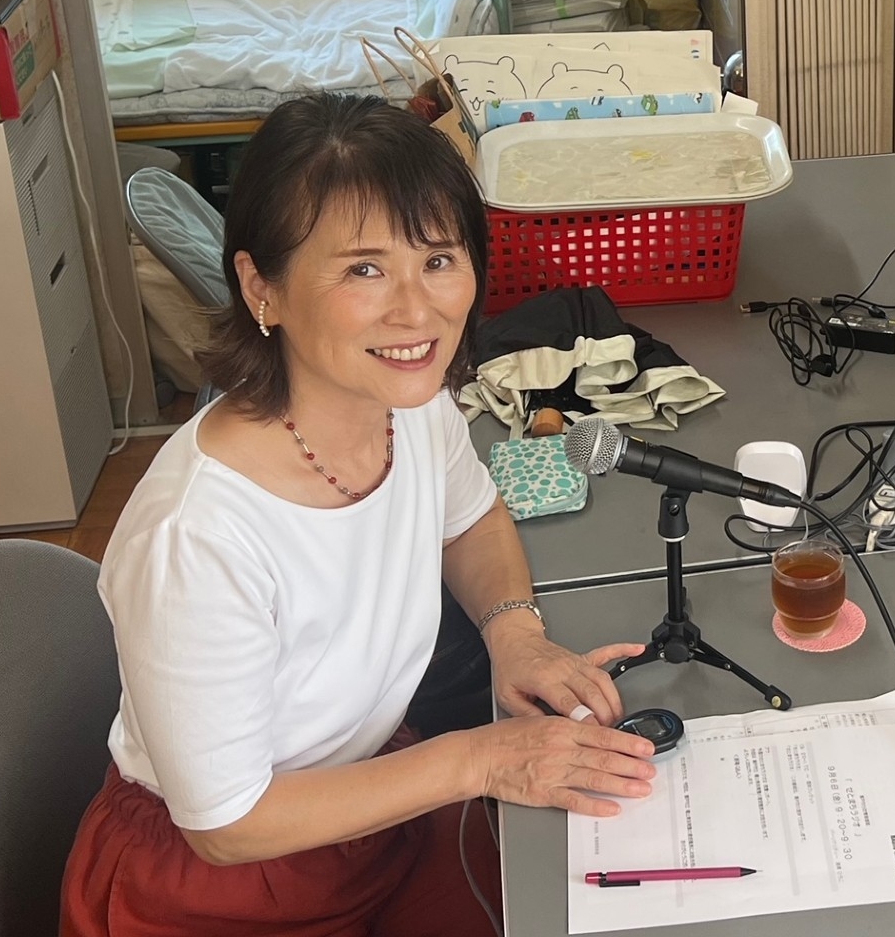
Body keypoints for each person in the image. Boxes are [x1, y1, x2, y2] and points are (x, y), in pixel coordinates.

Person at [61, 94, 659, 935]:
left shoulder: (407, 403)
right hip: (222, 888)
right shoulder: (196, 536)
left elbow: (472, 519)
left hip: (377, 807)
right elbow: (228, 825)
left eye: (440, 259)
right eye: (363, 269)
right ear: (261, 286)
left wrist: (514, 635)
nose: (417, 312)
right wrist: (481, 756)